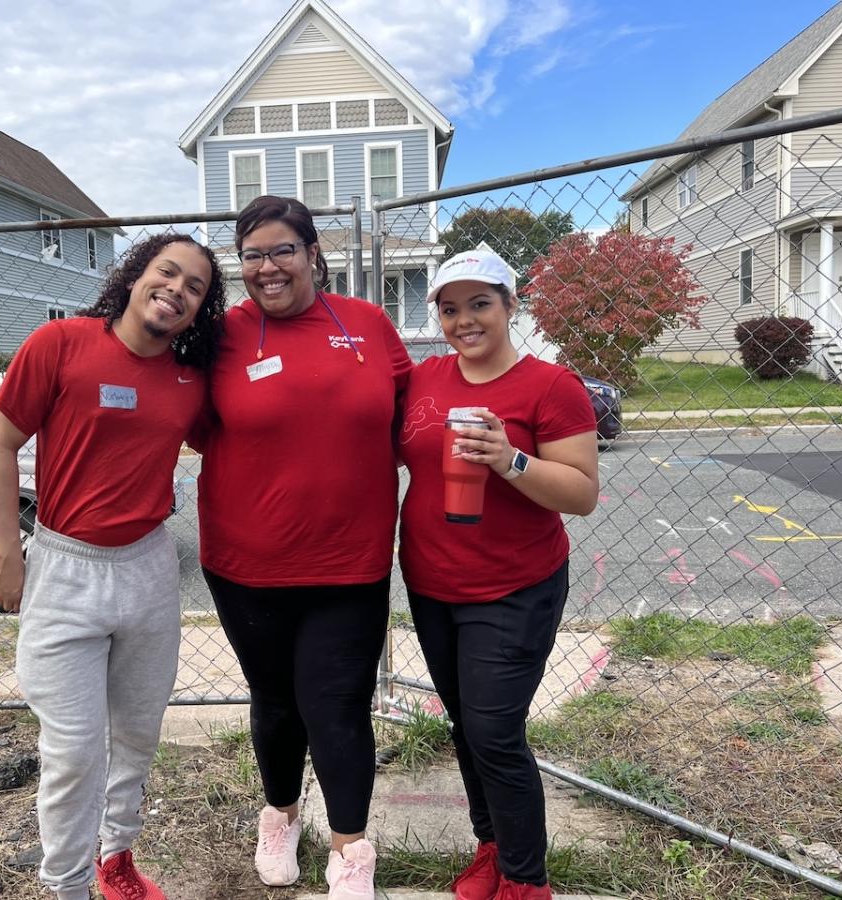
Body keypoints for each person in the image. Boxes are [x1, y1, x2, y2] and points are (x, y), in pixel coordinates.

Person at [0, 233, 226, 900]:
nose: (176, 289)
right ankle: (66, 886)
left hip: (148, 570)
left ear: (201, 309)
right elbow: (0, 441)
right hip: (65, 568)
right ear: (135, 274)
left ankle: (115, 858)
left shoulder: (189, 381)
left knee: (138, 734)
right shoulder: (60, 345)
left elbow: (246, 435)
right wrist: (7, 550)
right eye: (166, 272)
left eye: (195, 286)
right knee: (74, 752)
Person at [194, 195, 412, 899]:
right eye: (252, 254)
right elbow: (191, 424)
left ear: (314, 253)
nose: (267, 267)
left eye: (282, 249)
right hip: (245, 562)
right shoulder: (221, 336)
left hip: (349, 562)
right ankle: (282, 813)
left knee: (338, 704)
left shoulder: (369, 325)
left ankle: (350, 853)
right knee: (276, 700)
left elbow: (412, 420)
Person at [397, 249, 600, 900]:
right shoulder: (426, 379)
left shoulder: (549, 386)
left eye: (480, 303)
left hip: (514, 587)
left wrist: (509, 459)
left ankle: (525, 879)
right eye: (449, 308)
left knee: (494, 731)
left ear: (511, 306)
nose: (464, 320)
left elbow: (581, 493)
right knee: (464, 723)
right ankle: (492, 846)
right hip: (432, 584)